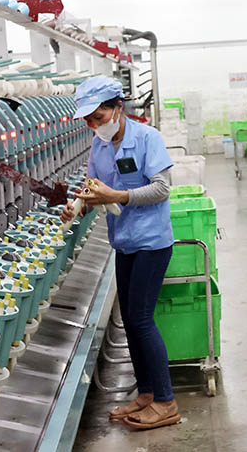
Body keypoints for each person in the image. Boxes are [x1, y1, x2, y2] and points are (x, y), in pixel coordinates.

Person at [60, 77, 180, 430]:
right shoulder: (97, 148)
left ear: (117, 109)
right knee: (130, 320)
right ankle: (146, 394)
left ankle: (166, 402)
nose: (94, 125)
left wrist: (118, 197)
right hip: (124, 242)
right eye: (89, 120)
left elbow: (161, 189)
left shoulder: (147, 138)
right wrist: (76, 206)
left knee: (141, 320)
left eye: (99, 116)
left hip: (152, 243)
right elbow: (92, 189)